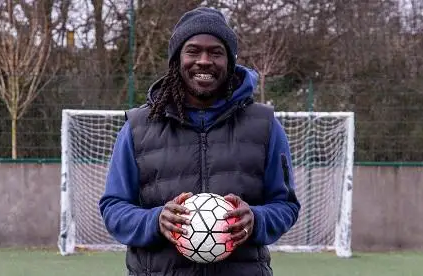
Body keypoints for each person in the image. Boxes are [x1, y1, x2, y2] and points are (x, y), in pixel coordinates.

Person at [99, 7, 301, 276]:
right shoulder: (138, 126)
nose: (204, 61)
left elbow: (285, 205)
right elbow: (113, 207)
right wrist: (155, 221)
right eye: (193, 51)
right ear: (176, 60)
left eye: (216, 52)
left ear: (229, 61)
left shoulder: (264, 125)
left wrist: (256, 219)